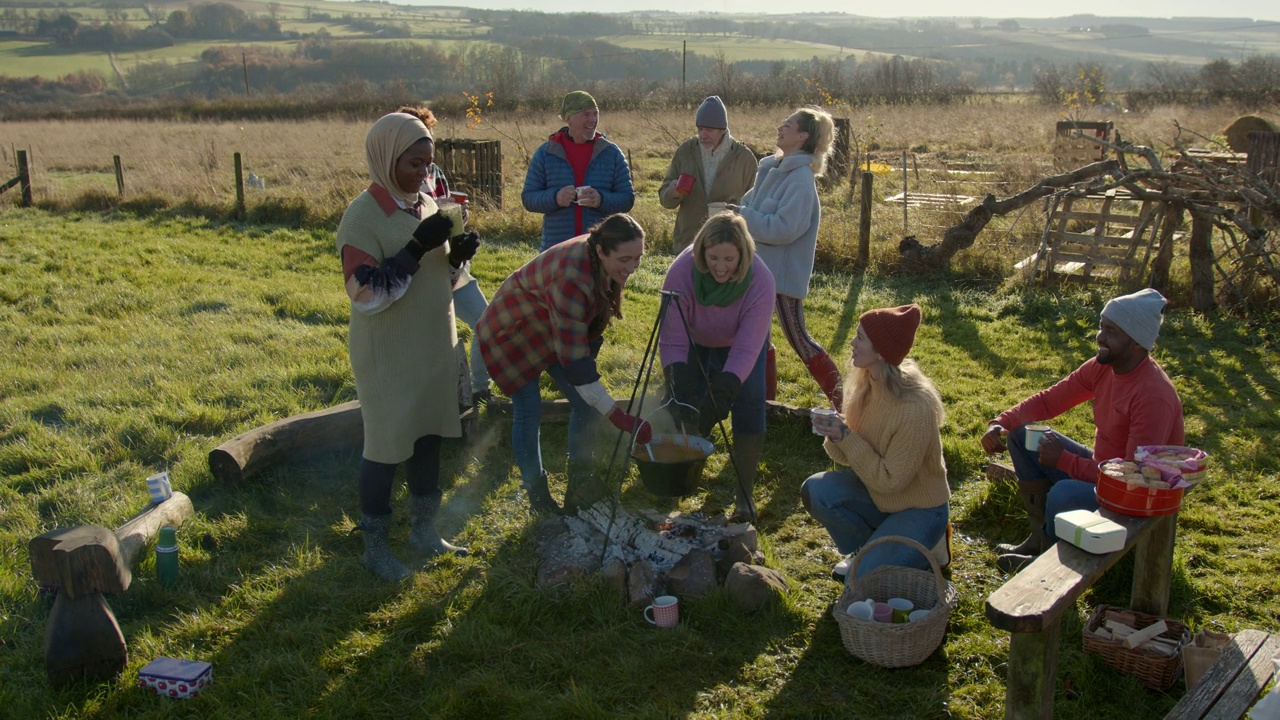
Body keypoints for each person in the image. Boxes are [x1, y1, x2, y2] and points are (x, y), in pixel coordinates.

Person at [336, 112, 479, 581]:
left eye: (428, 164)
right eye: (414, 164)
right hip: (389, 353)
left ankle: (424, 531)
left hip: (435, 344)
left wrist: (457, 257)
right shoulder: (362, 217)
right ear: (385, 157)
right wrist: (416, 249)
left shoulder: (425, 206)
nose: (424, 174)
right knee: (386, 447)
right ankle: (374, 549)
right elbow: (366, 295)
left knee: (429, 438)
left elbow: (444, 279)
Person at [980, 288, 1184, 572]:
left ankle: (1045, 563)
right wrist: (1001, 422)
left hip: (1134, 495)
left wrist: (1063, 461)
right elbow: (1050, 400)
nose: (1100, 337)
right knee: (1021, 434)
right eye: (1102, 327)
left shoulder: (1152, 395)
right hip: (1104, 468)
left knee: (1064, 493)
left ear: (1137, 342)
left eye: (1111, 332)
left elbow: (1132, 476)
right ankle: (1040, 538)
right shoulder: (1103, 366)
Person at [477, 213, 652, 515]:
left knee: (584, 405)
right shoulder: (573, 276)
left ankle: (579, 483)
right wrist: (616, 415)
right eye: (625, 259)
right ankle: (538, 496)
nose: (632, 267)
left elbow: (586, 333)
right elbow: (575, 363)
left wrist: (591, 390)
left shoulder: (602, 261)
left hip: (551, 324)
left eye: (638, 258)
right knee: (528, 409)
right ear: (601, 250)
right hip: (511, 330)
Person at [800, 304, 950, 580]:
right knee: (817, 491)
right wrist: (836, 434)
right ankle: (866, 548)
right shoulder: (868, 381)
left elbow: (890, 481)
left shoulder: (914, 409)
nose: (852, 342)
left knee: (864, 578)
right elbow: (850, 455)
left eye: (860, 338)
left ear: (880, 351)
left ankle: (930, 548)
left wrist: (845, 436)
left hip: (919, 508)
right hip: (879, 497)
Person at [660, 212, 775, 522]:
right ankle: (676, 482)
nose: (720, 266)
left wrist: (725, 390)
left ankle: (744, 492)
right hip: (693, 339)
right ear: (702, 252)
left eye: (729, 258)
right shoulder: (682, 272)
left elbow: (748, 347)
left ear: (743, 254)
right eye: (713, 257)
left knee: (749, 403)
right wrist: (677, 381)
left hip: (741, 343)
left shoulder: (761, 281)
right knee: (682, 403)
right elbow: (672, 338)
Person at [731, 106, 841, 407]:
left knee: (799, 338)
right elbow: (750, 205)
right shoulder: (771, 169)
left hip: (782, 276)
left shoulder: (801, 181)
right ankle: (763, 403)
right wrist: (737, 213)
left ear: (803, 136)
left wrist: (741, 216)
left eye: (788, 124)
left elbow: (785, 229)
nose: (781, 127)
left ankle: (845, 402)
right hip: (761, 269)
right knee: (758, 337)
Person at [397, 104, 492, 403]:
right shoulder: (391, 179)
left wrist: (458, 218)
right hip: (415, 273)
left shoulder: (434, 172)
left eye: (426, 132)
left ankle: (479, 391)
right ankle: (429, 399)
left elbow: (443, 212)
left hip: (451, 265)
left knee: (485, 322)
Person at [522, 91, 636, 251]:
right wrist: (556, 198)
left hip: (599, 250)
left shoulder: (611, 153)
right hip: (556, 250)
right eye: (586, 114)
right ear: (569, 118)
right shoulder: (547, 152)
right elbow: (528, 198)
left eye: (596, 114)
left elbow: (627, 199)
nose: (593, 120)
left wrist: (600, 200)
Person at [657, 95, 759, 253]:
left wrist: (735, 213)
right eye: (700, 129)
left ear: (723, 130)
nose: (703, 135)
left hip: (729, 246)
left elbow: (756, 204)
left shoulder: (744, 159)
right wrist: (672, 193)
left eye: (709, 130)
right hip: (689, 244)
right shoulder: (686, 152)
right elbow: (665, 200)